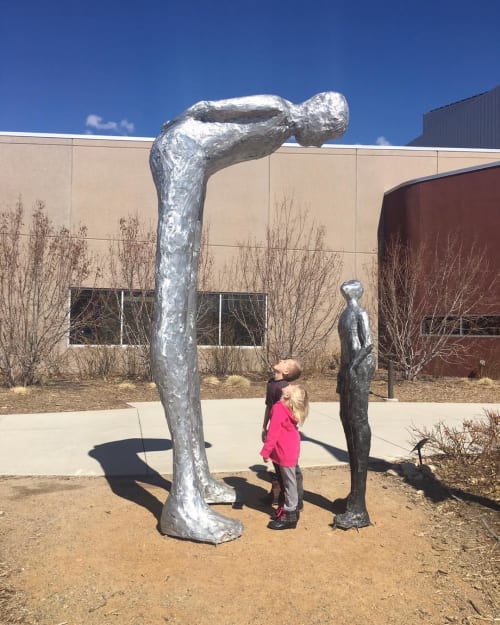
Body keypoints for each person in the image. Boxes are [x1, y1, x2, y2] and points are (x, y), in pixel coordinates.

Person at [150, 92, 348, 544]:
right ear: (318, 111)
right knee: (175, 304)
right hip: (180, 151)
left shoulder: (281, 133)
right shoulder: (279, 111)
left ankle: (197, 478)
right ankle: (182, 502)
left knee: (184, 296)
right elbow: (212, 108)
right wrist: (180, 119)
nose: (319, 144)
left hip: (192, 158)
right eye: (328, 133)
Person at [334, 280, 375, 529]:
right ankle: (354, 496)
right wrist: (342, 372)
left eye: (349, 287)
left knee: (358, 422)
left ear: (355, 292)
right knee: (345, 418)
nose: (345, 289)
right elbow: (345, 347)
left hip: (360, 369)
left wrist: (352, 366)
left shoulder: (360, 312)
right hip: (348, 371)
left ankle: (359, 508)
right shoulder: (344, 314)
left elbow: (367, 343)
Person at [261, 384, 309, 530]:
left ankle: (290, 514)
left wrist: (266, 451)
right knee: (288, 482)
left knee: (289, 484)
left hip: (285, 451)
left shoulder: (279, 408)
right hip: (289, 448)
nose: (290, 385)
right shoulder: (285, 408)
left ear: (288, 396)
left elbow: (273, 432)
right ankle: (290, 509)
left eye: (292, 387)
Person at [261, 358, 304, 509]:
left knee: (291, 469)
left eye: (285, 361)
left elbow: (293, 413)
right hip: (273, 428)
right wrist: (264, 426)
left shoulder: (286, 389)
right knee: (278, 464)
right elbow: (268, 406)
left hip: (284, 433)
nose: (281, 360)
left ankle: (296, 502)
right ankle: (278, 496)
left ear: (285, 372)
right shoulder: (271, 383)